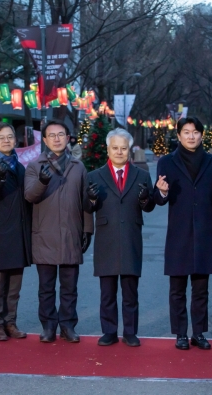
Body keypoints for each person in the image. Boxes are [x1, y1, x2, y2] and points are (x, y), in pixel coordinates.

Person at [154, 116, 212, 350]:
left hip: (205, 232)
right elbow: (158, 200)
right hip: (179, 234)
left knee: (201, 289)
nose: (191, 136)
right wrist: (162, 192)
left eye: (195, 132)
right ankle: (180, 333)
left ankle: (198, 333)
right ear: (178, 135)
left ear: (201, 135)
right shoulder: (166, 162)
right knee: (177, 289)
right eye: (186, 132)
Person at [24, 119, 94, 343]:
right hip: (44, 234)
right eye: (52, 135)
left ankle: (68, 326)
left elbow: (85, 201)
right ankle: (48, 326)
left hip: (71, 233)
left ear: (68, 138)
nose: (56, 139)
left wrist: (88, 229)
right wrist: (42, 181)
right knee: (46, 287)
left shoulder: (78, 166)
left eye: (61, 135)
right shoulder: (35, 167)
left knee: (69, 287)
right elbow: (30, 196)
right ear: (44, 140)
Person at [85, 128, 155, 347]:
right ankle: (109, 331)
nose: (119, 151)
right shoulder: (94, 176)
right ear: (108, 149)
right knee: (107, 292)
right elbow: (87, 207)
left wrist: (145, 199)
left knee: (130, 291)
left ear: (129, 150)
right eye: (115, 148)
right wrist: (92, 200)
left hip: (131, 238)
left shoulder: (142, 175)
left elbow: (150, 206)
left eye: (123, 148)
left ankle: (130, 332)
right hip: (106, 239)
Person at [0, 123, 32, 341]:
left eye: (10, 137)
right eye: (1, 137)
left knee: (14, 284)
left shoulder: (20, 166)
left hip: (19, 230)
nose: (6, 141)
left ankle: (10, 322)